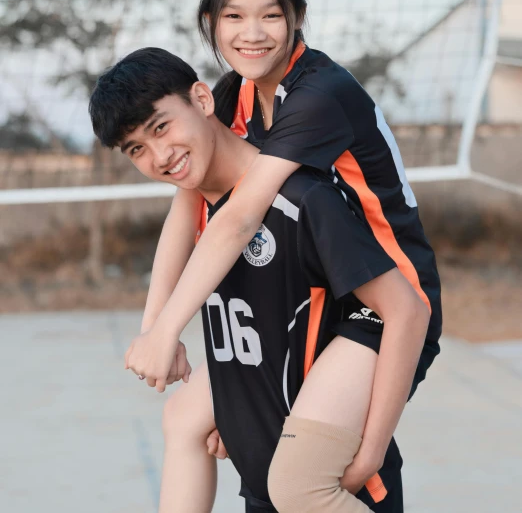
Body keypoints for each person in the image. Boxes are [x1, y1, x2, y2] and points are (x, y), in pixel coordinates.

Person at [89, 47, 436, 512]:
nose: (160, 155)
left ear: (202, 100)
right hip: (263, 482)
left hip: (329, 490)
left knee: (295, 484)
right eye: (137, 149)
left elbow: (399, 311)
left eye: (161, 127)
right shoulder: (200, 207)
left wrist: (371, 447)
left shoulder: (302, 200)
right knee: (183, 418)